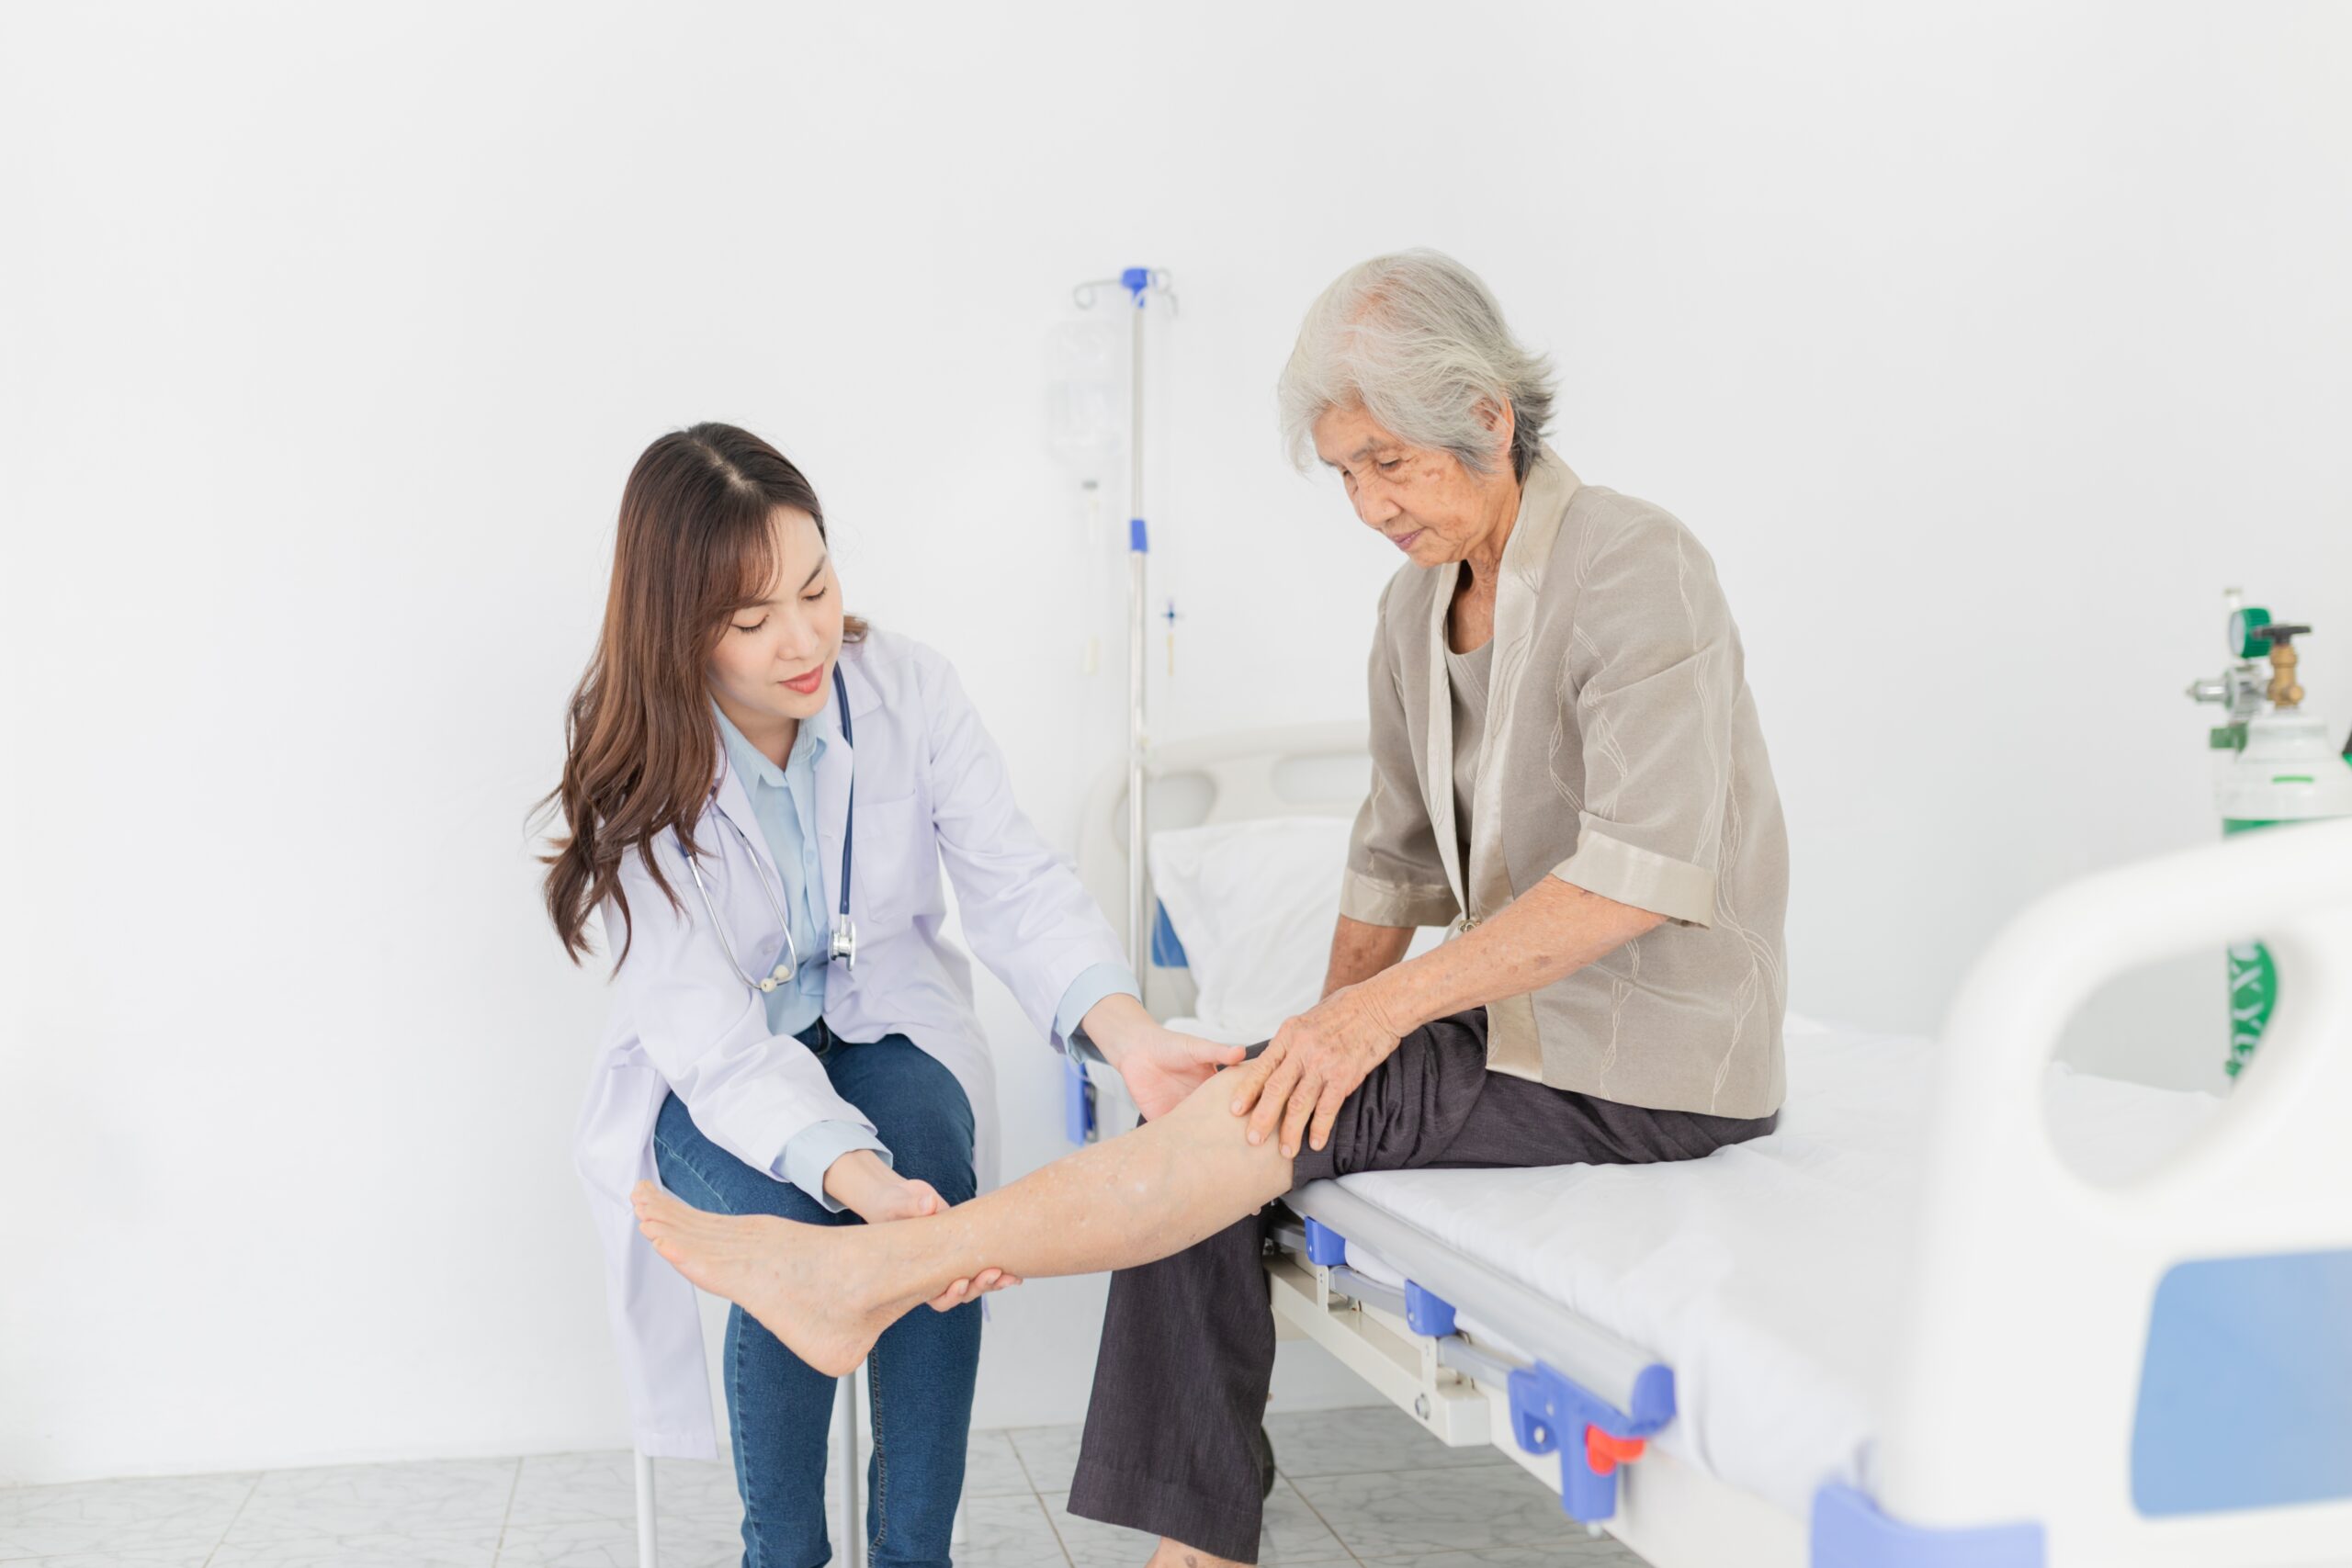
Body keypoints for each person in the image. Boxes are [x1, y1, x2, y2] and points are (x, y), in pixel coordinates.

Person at [629, 249, 1791, 1568]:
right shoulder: (1417, 607)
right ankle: (1194, 1545)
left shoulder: (1638, 566)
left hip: (1640, 1052)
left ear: (1488, 415)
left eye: (1386, 464)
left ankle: (866, 1276)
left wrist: (1362, 1024)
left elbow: (1640, 867)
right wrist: (1308, 1032)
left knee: (1239, 1112)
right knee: (1219, 1105)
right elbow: (1392, 860)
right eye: (1343, 471)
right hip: (1503, 1029)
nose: (1365, 503)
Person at [542, 423, 1238, 1568]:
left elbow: (1013, 881)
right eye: (751, 619)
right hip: (716, 1082)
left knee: (930, 1170)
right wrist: (858, 1183)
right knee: (803, 1213)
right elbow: (713, 1043)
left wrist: (1130, 1039)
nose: (804, 638)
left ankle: (917, 1556)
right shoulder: (635, 770)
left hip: (889, 1024)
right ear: (678, 629)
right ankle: (786, 1555)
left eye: (815, 587)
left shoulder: (907, 689)